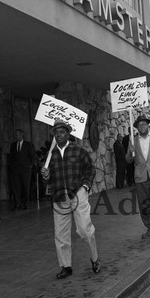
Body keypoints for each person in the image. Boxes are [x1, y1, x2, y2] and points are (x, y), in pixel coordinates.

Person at [41, 119, 100, 279]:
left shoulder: (78, 150)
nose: (59, 135)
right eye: (56, 132)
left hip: (78, 193)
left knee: (84, 230)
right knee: (60, 234)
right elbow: (48, 178)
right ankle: (65, 266)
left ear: (68, 134)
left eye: (62, 132)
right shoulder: (50, 155)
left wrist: (86, 186)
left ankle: (94, 258)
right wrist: (45, 176)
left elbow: (90, 169)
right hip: (59, 197)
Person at [8, 129, 37, 210]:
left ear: (22, 135)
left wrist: (30, 166)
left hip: (26, 170)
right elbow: (11, 157)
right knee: (16, 187)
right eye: (15, 135)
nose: (16, 136)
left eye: (18, 134)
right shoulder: (13, 145)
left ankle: (25, 203)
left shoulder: (28, 144)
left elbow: (33, 156)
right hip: (15, 170)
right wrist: (11, 166)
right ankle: (17, 204)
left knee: (25, 187)